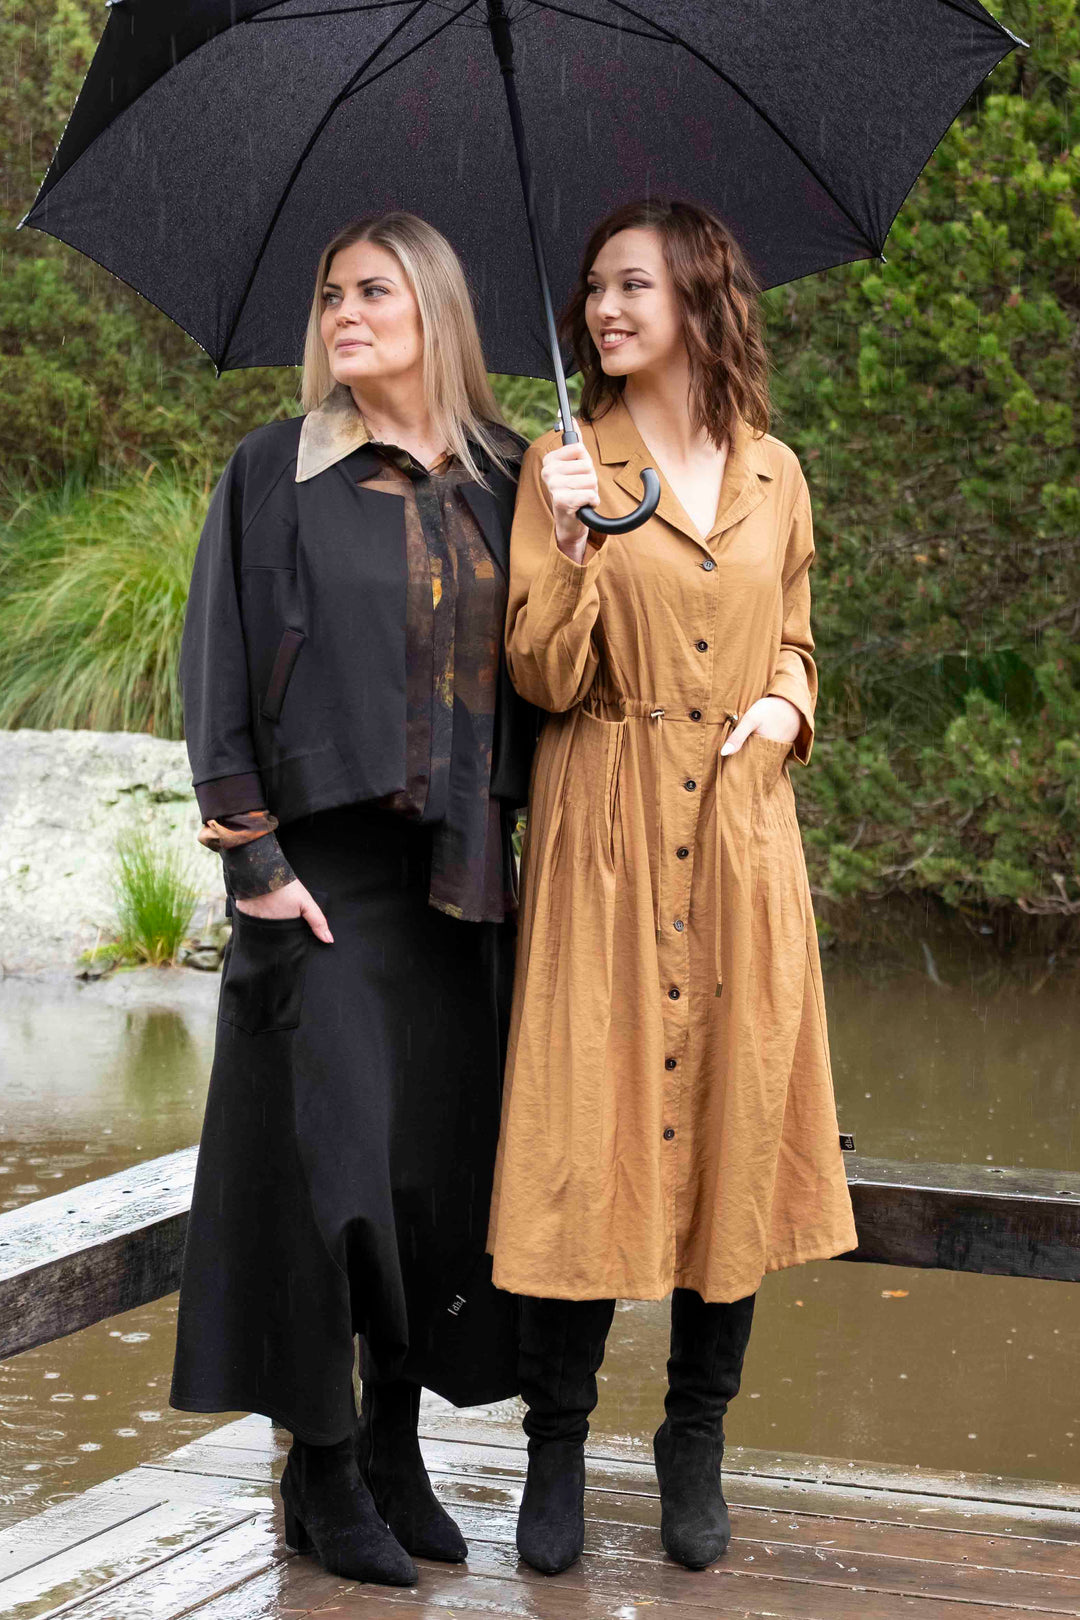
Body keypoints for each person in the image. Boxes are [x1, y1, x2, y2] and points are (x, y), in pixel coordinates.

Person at [488, 199, 858, 1576]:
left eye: (632, 285)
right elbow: (541, 675)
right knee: (584, 1132)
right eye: (594, 288)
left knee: (735, 1128)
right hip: (607, 836)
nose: (604, 309)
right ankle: (556, 1447)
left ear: (704, 299)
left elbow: (798, 639)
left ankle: (694, 1439)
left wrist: (787, 708)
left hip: (744, 839)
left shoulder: (777, 472)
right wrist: (576, 542)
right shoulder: (567, 465)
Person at [170, 212, 536, 1587]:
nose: (344, 313)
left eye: (373, 290)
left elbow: (560, 671)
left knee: (427, 1182)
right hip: (317, 882)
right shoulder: (273, 472)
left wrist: (581, 531)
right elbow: (215, 671)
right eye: (331, 294)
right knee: (326, 1182)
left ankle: (393, 1446)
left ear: (437, 309)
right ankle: (317, 1470)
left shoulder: (516, 479)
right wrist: (253, 864)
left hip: (462, 881)